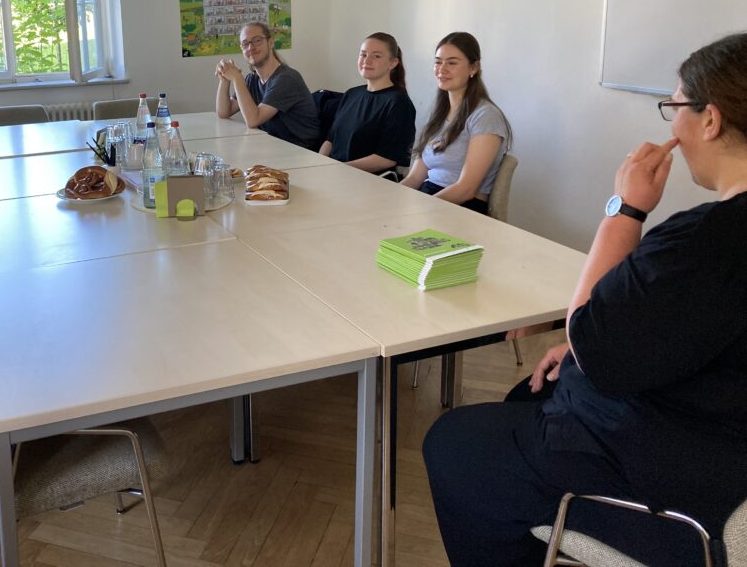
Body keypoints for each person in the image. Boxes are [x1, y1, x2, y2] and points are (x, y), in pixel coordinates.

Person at [422, 33, 747, 566]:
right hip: (714, 431)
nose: (674, 127)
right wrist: (580, 350)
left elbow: (591, 331)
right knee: (527, 395)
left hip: (683, 484)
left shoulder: (704, 241)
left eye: (675, 108)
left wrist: (626, 210)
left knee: (454, 441)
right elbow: (700, 330)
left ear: (709, 120)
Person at [401, 31, 511, 214]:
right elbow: (414, 178)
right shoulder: (438, 115)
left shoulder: (486, 117)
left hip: (461, 208)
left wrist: (418, 210)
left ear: (473, 68)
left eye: (452, 63)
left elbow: (465, 190)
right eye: (438, 62)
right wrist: (392, 200)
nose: (442, 69)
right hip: (429, 197)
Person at [319, 32, 416, 174]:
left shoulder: (398, 102)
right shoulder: (351, 94)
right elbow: (331, 139)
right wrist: (319, 164)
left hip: (370, 181)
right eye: (363, 54)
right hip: (336, 174)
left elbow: (387, 158)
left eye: (376, 56)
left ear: (393, 63)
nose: (367, 61)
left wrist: (339, 169)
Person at [215, 22, 320, 149]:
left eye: (257, 40)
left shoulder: (286, 79)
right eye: (245, 44)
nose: (250, 48)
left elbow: (253, 120)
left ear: (270, 43)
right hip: (272, 148)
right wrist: (224, 79)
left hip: (302, 153)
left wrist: (237, 78)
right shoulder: (252, 79)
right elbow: (224, 112)